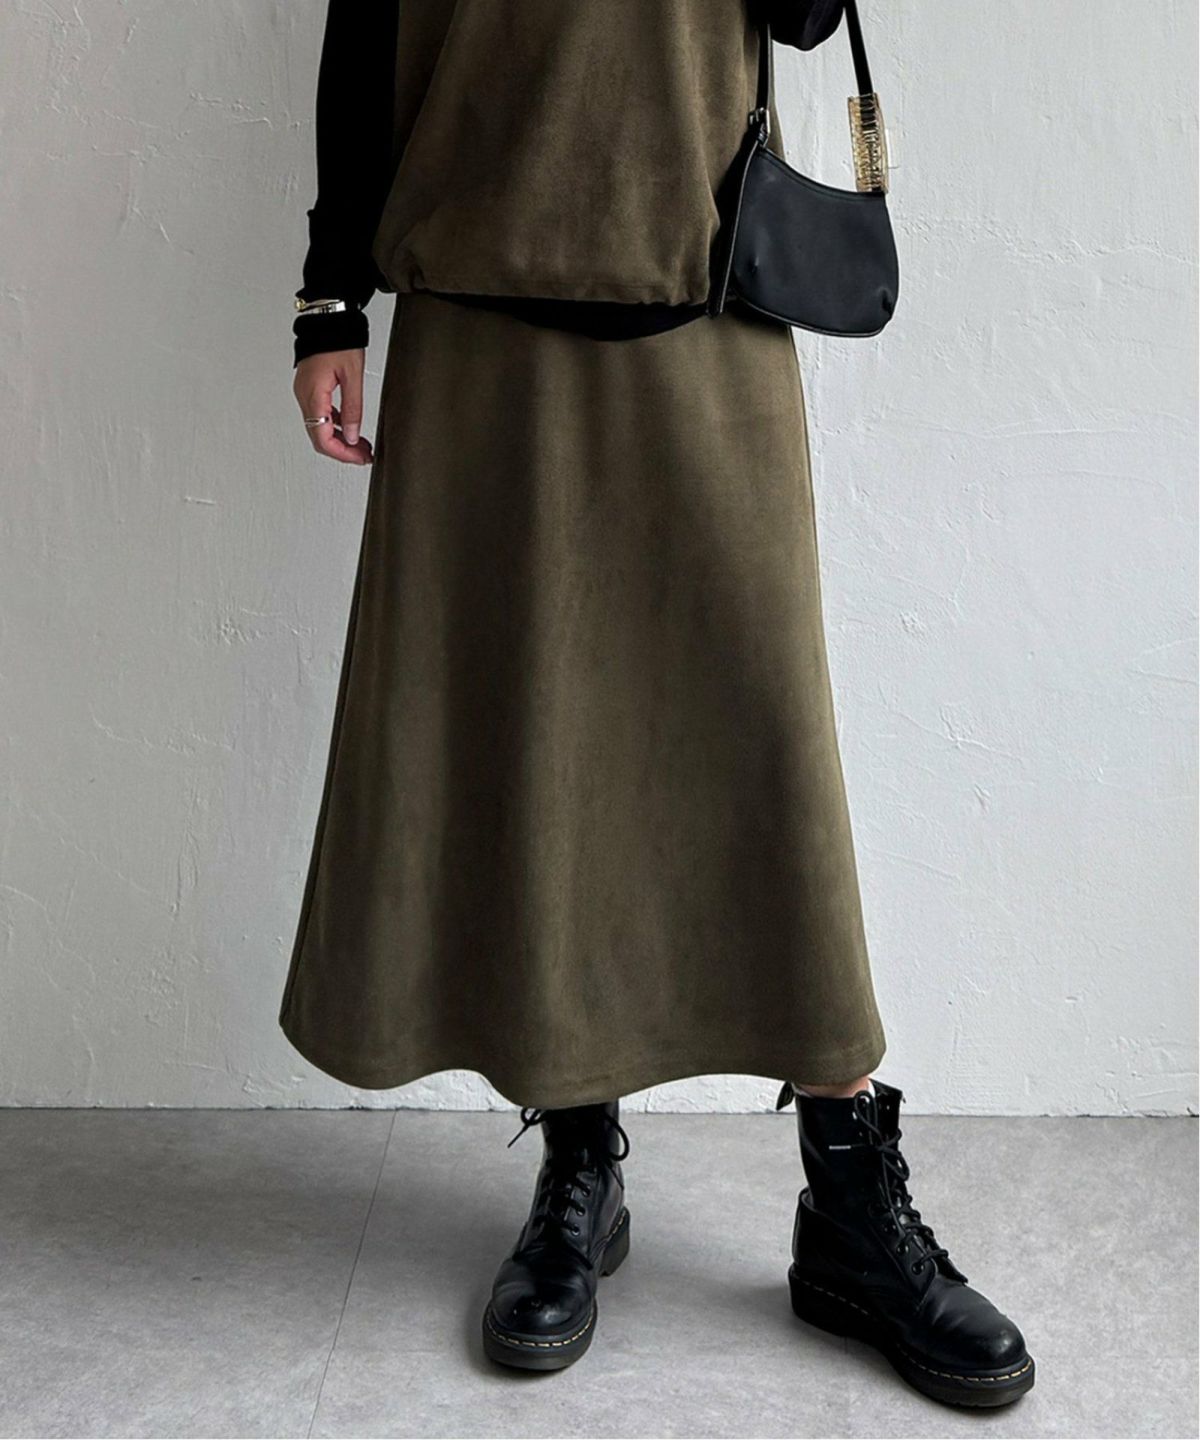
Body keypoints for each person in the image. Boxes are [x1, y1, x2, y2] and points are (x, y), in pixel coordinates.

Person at [281, 0, 1034, 1408]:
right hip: (477, 317)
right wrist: (332, 293)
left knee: (768, 757)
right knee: (539, 754)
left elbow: (805, 15)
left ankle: (848, 1197)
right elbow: (365, 28)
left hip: (703, 298)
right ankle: (579, 1159)